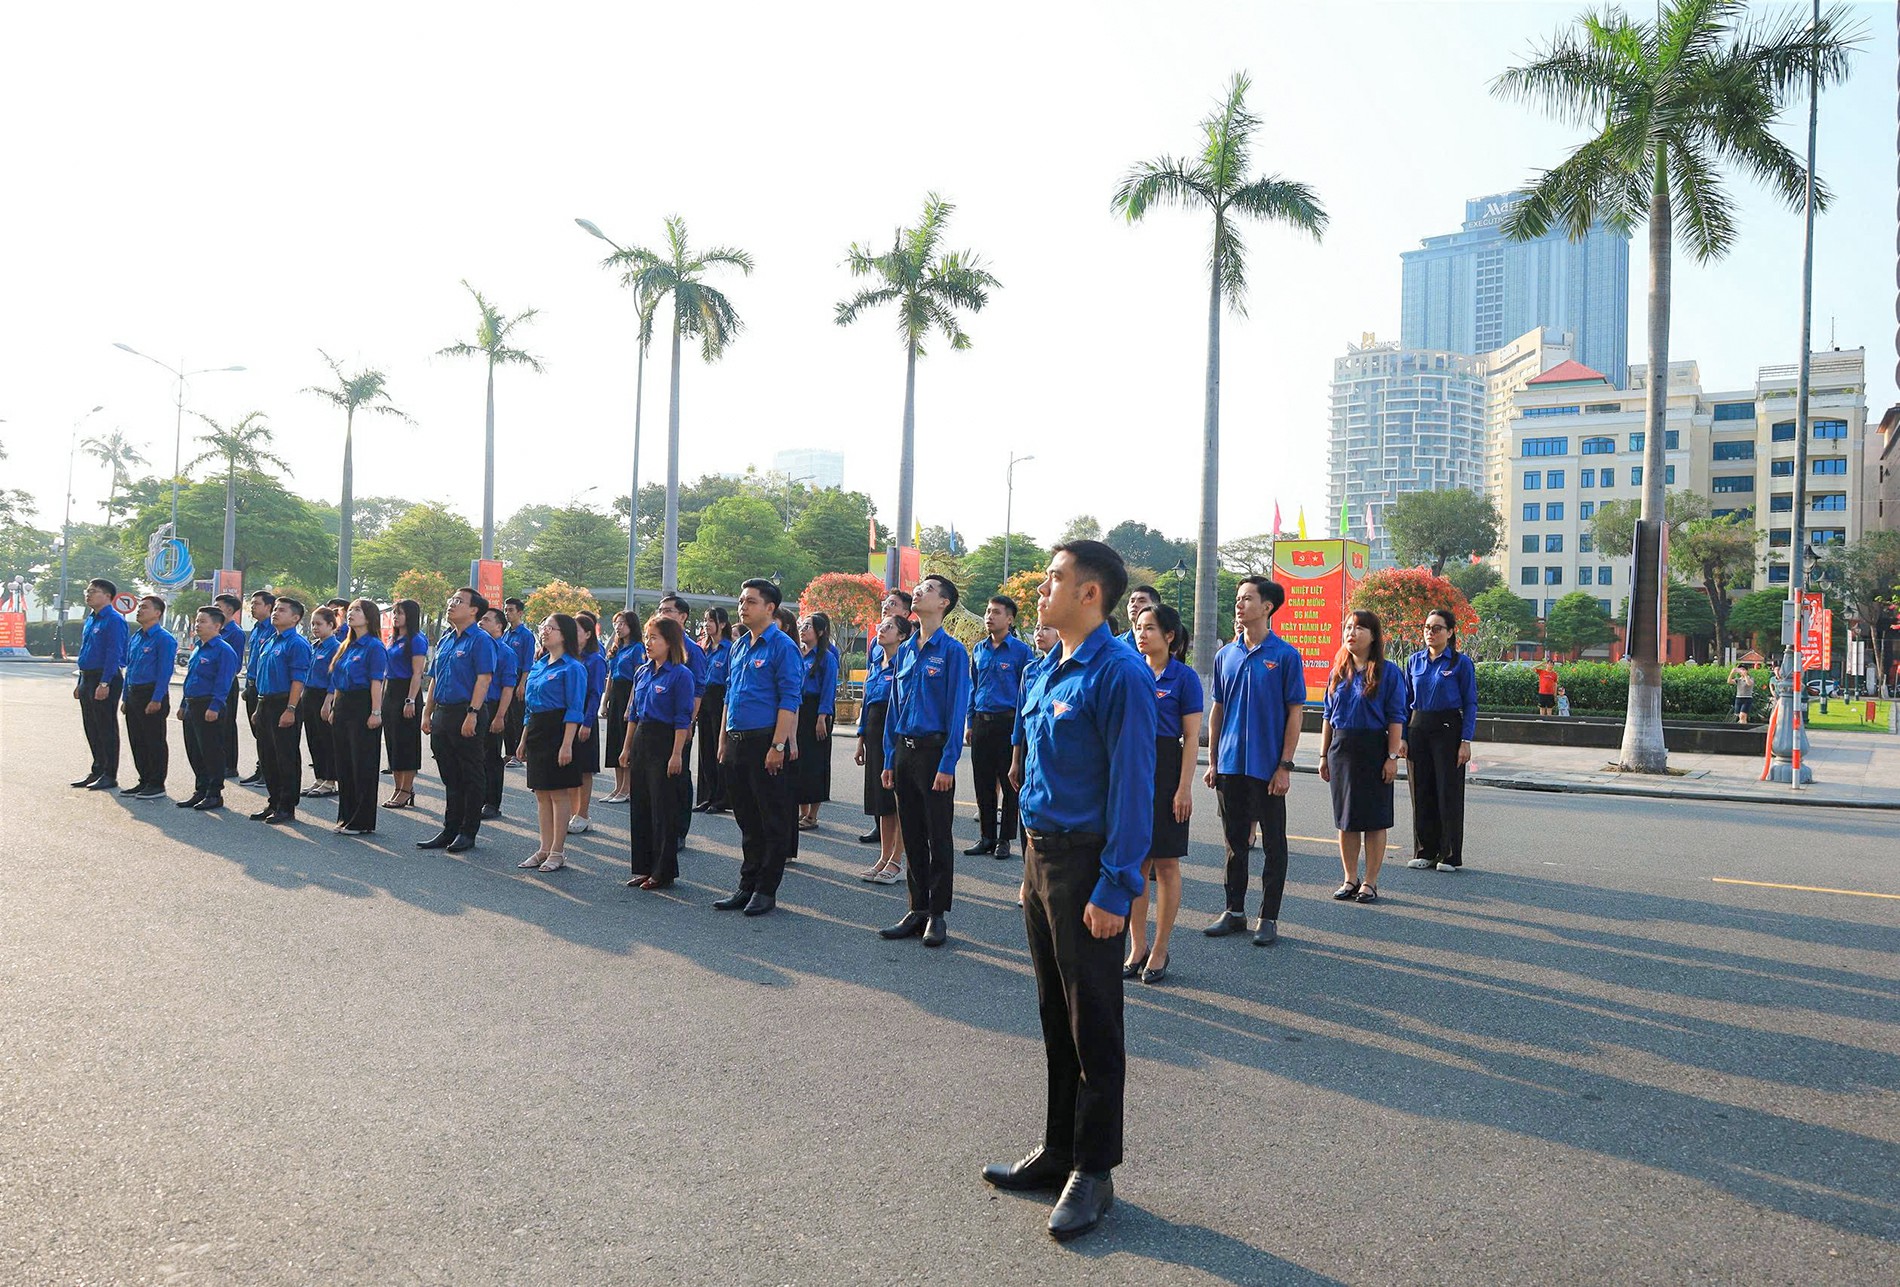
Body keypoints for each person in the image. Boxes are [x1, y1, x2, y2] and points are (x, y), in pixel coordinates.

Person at [983, 540, 1155, 1243]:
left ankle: (1094, 1167)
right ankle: (1058, 1148)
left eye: (1054, 578)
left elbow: (1134, 788)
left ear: (1091, 593)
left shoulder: (1119, 673)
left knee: (1095, 1022)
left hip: (1088, 866)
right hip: (1042, 858)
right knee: (1056, 1013)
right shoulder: (1049, 664)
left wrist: (1117, 885)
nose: (1041, 588)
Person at [1202, 576, 1305, 947]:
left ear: (1267, 607)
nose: (1240, 604)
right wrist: (1213, 761)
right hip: (1230, 765)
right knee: (1234, 843)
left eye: (1247, 598)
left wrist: (1285, 765)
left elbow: (1295, 713)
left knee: (1274, 844)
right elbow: (1218, 710)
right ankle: (1234, 911)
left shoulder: (1285, 656)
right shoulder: (1225, 655)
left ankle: (1268, 917)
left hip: (1267, 767)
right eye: (1238, 598)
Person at [878, 574, 971, 949]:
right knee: (912, 833)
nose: (918, 591)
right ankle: (916, 908)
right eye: (920, 587)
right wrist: (889, 756)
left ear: (944, 603)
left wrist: (948, 763)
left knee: (938, 835)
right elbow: (894, 709)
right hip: (904, 751)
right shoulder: (905, 651)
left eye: (928, 589)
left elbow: (956, 710)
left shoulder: (953, 652)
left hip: (934, 754)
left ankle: (937, 913)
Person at [713, 579, 804, 917]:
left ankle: (766, 890)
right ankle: (747, 884)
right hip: (737, 741)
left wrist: (778, 745)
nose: (743, 607)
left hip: (765, 741)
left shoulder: (782, 646)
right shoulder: (739, 646)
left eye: (750, 601)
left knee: (772, 819)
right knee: (747, 819)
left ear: (770, 608)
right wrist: (723, 739)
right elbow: (729, 694)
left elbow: (789, 699)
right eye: (741, 601)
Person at [1122, 602, 1201, 984]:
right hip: (1132, 769)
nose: (1142, 634)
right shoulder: (1130, 671)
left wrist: (1184, 788)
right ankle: (1137, 945)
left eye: (1150, 627)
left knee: (1166, 864)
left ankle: (1160, 947)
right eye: (1139, 627)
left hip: (1167, 769)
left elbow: (1191, 739)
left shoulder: (1184, 678)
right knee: (1135, 863)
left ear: (1169, 636)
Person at [1318, 610, 1406, 904]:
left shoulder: (1388, 672)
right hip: (1341, 749)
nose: (1351, 633)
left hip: (1374, 749)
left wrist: (1392, 756)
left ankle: (1370, 881)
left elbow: (1396, 717)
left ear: (1373, 635)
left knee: (1374, 820)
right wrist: (1323, 755)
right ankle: (1349, 878)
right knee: (1346, 819)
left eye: (1358, 628)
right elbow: (1328, 716)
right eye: (1347, 627)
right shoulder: (1338, 670)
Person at [418, 587, 497, 852]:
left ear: (474, 610)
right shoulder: (446, 639)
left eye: (458, 601)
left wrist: (472, 714)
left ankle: (467, 831)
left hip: (467, 712)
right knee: (450, 775)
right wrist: (427, 712)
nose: (451, 604)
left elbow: (484, 679)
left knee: (470, 774)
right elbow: (435, 678)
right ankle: (449, 828)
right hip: (443, 712)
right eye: (451, 599)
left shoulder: (481, 640)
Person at [622, 613, 697, 889]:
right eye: (647, 637)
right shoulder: (642, 671)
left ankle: (663, 871)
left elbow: (682, 718)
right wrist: (626, 747)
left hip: (666, 741)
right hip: (642, 738)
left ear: (670, 641)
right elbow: (633, 714)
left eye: (654, 638)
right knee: (641, 805)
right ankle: (643, 867)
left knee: (662, 808)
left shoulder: (681, 674)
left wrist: (677, 754)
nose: (648, 642)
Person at [1405, 607, 1476, 874]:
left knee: (1448, 791)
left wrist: (1466, 740)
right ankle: (1425, 851)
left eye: (1437, 628)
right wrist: (1402, 737)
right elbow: (1404, 701)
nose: (1430, 633)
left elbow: (1470, 703)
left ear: (1450, 632)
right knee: (1420, 790)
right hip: (1418, 727)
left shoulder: (1460, 663)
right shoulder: (1414, 661)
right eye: (1426, 627)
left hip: (1448, 729)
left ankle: (1449, 854)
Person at [966, 595, 1034, 859]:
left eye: (996, 612)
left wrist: (1021, 731)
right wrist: (970, 721)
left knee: (1009, 784)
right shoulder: (979, 649)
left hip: (1008, 723)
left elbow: (1026, 693)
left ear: (1009, 619)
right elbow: (973, 687)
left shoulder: (1021, 652)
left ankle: (1004, 839)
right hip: (981, 723)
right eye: (987, 611)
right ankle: (986, 837)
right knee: (982, 783)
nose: (989, 616)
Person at [518, 614, 588, 872]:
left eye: (551, 628)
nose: (545, 631)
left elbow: (575, 708)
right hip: (537, 730)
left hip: (559, 731)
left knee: (558, 793)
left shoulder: (573, 667)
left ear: (564, 634)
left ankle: (557, 851)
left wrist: (567, 744)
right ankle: (544, 848)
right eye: (543, 627)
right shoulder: (539, 665)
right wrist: (523, 739)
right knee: (541, 793)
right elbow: (530, 708)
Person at [323, 598, 387, 835]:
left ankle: (362, 821)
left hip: (363, 704)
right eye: (350, 610)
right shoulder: (346, 645)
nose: (351, 613)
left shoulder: (374, 646)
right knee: (344, 763)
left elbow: (377, 682)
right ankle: (346, 816)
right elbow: (338, 678)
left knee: (363, 764)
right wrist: (334, 707)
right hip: (343, 705)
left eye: (357, 610)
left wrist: (376, 712)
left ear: (369, 617)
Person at [856, 614, 910, 883]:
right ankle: (884, 856)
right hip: (874, 737)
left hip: (895, 738)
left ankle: (897, 861)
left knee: (897, 801)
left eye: (889, 627)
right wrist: (861, 739)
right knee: (882, 802)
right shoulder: (877, 664)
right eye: (881, 625)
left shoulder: (905, 665)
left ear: (902, 635)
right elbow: (867, 704)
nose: (882, 629)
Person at [250, 596, 312, 824]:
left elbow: (298, 679)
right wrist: (258, 707)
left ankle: (287, 806)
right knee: (267, 756)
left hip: (285, 702)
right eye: (275, 609)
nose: (275, 613)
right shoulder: (269, 641)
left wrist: (291, 709)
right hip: (266, 702)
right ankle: (274, 801)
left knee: (285, 756)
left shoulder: (297, 643)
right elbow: (263, 677)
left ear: (295, 618)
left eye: (282, 610)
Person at [655, 594, 709, 842]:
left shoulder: (692, 650)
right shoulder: (657, 645)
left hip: (680, 722)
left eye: (668, 611)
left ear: (683, 617)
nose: (662, 614)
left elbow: (698, 690)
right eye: (660, 610)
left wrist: (689, 722)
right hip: (656, 723)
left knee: (678, 775)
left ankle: (678, 831)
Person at [176, 605, 239, 811]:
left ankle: (214, 793)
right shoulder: (198, 648)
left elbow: (224, 682)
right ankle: (201, 789)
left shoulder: (223, 650)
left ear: (217, 626)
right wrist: (183, 704)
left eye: (203, 621)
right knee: (194, 749)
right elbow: (190, 679)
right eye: (197, 621)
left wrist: (215, 706)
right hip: (192, 704)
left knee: (211, 750)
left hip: (209, 705)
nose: (198, 625)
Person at [72, 578, 129, 790]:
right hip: (87, 677)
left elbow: (114, 653)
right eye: (87, 590)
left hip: (105, 678)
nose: (88, 594)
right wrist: (80, 681)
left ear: (107, 596)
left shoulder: (114, 620)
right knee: (91, 726)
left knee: (106, 726)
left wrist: (104, 683)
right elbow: (85, 651)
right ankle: (97, 769)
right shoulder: (91, 619)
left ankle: (109, 774)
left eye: (93, 591)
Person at [120, 594, 178, 799]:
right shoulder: (136, 637)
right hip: (134, 692)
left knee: (154, 740)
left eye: (144, 607)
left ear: (157, 613)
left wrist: (156, 698)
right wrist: (125, 697)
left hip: (151, 693)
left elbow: (165, 672)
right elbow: (130, 669)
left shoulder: (164, 639)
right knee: (137, 739)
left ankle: (156, 783)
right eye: (139, 607)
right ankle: (144, 779)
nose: (139, 610)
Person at [382, 598, 429, 808]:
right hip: (391, 691)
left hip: (407, 691)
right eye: (394, 612)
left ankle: (406, 789)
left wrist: (410, 700)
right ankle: (397, 787)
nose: (396, 616)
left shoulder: (416, 639)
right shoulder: (392, 638)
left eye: (400, 613)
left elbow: (417, 673)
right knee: (393, 741)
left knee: (407, 742)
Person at [795, 611, 838, 831]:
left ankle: (812, 815)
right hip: (798, 711)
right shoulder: (798, 654)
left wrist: (822, 717)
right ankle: (801, 811)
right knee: (799, 761)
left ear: (820, 632)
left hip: (816, 712)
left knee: (815, 762)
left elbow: (828, 690)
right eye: (802, 626)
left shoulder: (827, 657)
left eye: (808, 626)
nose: (803, 630)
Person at [568, 610, 608, 834]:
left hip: (585, 717)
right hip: (569, 717)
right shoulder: (571, 658)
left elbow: (595, 694)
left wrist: (587, 722)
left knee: (584, 769)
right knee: (571, 768)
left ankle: (583, 813)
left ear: (588, 634)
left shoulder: (595, 660)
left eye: (576, 631)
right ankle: (573, 812)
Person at [477, 607, 518, 820]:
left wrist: (500, 716)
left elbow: (508, 687)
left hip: (494, 706)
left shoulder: (506, 652)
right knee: (475, 756)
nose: (481, 622)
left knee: (491, 756)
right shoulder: (477, 646)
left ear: (499, 626)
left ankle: (492, 803)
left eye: (486, 620)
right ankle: (476, 799)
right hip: (475, 706)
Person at [603, 610, 646, 804]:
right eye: (616, 623)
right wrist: (604, 702)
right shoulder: (617, 648)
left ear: (631, 625)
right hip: (615, 696)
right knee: (614, 741)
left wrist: (630, 705)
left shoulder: (637, 648)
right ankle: (618, 786)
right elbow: (611, 677)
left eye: (622, 623)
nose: (618, 627)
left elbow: (638, 680)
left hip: (628, 693)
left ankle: (627, 787)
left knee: (624, 741)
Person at [693, 607, 733, 813]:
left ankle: (721, 798)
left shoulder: (730, 649)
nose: (706, 624)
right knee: (705, 748)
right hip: (704, 698)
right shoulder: (703, 648)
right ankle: (706, 796)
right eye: (705, 620)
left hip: (721, 700)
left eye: (711, 620)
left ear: (722, 624)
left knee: (720, 749)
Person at [300, 605, 341, 799]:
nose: (315, 628)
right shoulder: (314, 646)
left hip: (324, 695)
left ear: (331, 625)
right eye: (313, 624)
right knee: (313, 738)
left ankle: (330, 780)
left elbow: (334, 678)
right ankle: (320, 777)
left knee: (327, 739)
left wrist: (328, 702)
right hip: (309, 694)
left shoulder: (336, 647)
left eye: (319, 624)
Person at [237, 590, 276, 786]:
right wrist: (247, 686)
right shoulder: (256, 628)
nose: (252, 607)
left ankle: (268, 771)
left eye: (256, 604)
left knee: (266, 732)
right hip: (252, 685)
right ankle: (262, 767)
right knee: (257, 731)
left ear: (268, 607)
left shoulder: (273, 629)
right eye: (252, 603)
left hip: (264, 688)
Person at [213, 592, 248, 778]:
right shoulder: (215, 629)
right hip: (211, 683)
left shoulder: (235, 633)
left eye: (218, 607)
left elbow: (235, 665)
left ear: (229, 610)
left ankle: (230, 765)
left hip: (226, 683)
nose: (215, 609)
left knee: (227, 723)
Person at [502, 597, 536, 765]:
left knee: (518, 717)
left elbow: (528, 662)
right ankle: (509, 752)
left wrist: (522, 684)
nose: (507, 613)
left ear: (520, 613)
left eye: (511, 610)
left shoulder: (526, 635)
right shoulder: (505, 634)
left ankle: (519, 754)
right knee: (506, 716)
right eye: (506, 610)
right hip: (505, 680)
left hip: (518, 679)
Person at [1116, 584, 1160, 651]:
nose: (1134, 605)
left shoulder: (1164, 642)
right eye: (1132, 601)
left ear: (1156, 606)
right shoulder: (1116, 644)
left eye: (1142, 601)